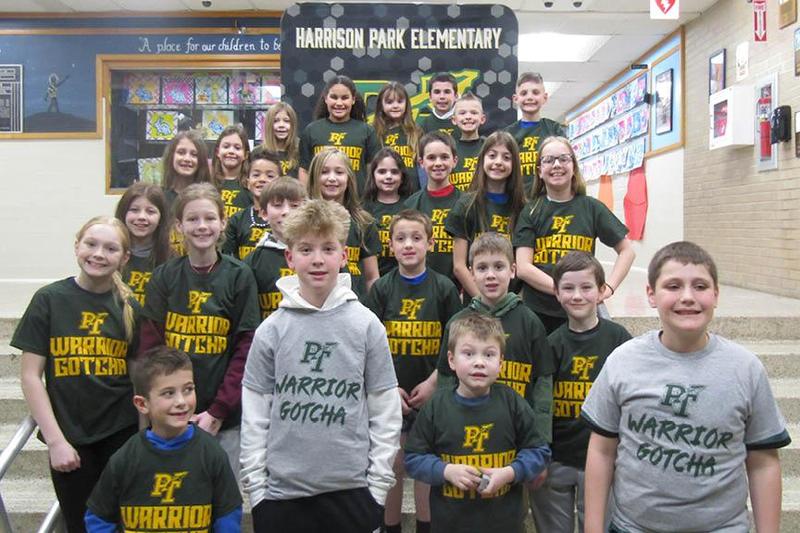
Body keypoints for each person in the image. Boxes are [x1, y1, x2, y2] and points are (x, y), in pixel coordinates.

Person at [582, 241, 791, 533]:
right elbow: (602, 451)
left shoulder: (745, 369)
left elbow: (763, 462)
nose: (688, 297)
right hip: (634, 527)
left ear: (716, 295)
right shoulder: (623, 361)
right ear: (651, 295)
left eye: (701, 286)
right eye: (673, 286)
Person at [240, 199, 402, 533]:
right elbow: (255, 417)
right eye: (306, 249)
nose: (317, 259)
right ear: (290, 257)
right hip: (282, 498)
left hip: (353, 496)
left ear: (344, 256)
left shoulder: (367, 325)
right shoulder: (270, 331)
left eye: (328, 248)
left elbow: (385, 413)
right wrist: (257, 493)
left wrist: (376, 491)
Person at [13, 216, 139, 533]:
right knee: (80, 525)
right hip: (71, 438)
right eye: (91, 244)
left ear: (124, 258)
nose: (98, 253)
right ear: (76, 246)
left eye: (110, 248)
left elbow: (140, 377)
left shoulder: (131, 305)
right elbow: (30, 376)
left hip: (120, 435)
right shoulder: (49, 300)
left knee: (122, 524)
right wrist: (55, 440)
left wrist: (143, 438)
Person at [139, 183, 261, 479]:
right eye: (192, 219)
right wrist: (171, 404)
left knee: (221, 499)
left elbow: (246, 350)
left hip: (224, 416)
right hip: (170, 413)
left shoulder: (239, 275)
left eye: (209, 218)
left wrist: (218, 410)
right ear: (179, 225)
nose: (202, 226)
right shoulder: (164, 276)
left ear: (222, 223)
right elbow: (152, 350)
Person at [404, 312, 551, 533]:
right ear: (451, 360)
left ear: (501, 363)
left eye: (489, 355)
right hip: (450, 525)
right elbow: (413, 458)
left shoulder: (513, 403)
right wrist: (446, 471)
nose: (479, 362)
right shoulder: (436, 407)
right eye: (469, 353)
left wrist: (510, 473)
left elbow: (539, 451)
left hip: (504, 525)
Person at [363, 209, 462, 533]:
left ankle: (424, 526)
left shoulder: (445, 289)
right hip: (391, 391)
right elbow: (369, 345)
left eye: (416, 238)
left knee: (424, 465)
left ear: (430, 243)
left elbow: (456, 340)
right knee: (394, 464)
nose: (409, 244)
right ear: (390, 245)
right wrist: (388, 386)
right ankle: (390, 527)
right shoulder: (380, 290)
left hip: (430, 392)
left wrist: (436, 379)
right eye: (401, 238)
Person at [85, 346, 242, 532]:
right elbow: (98, 517)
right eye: (169, 393)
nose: (181, 401)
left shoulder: (212, 454)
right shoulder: (126, 458)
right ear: (142, 404)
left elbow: (228, 516)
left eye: (188, 390)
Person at [529, 251, 631, 533]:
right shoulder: (550, 344)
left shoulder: (619, 340)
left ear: (601, 291)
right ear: (556, 292)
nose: (577, 296)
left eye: (586, 287)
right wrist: (538, 454)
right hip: (557, 459)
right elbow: (540, 405)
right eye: (568, 288)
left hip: (605, 461)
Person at [436, 232, 554, 446]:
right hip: (466, 431)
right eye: (482, 268)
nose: (491, 275)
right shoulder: (457, 322)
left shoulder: (530, 322)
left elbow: (543, 384)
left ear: (513, 270)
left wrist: (542, 440)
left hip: (518, 433)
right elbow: (445, 380)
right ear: (471, 273)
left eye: (499, 266)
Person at [513, 136, 634, 334]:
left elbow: (627, 251)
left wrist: (609, 287)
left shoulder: (591, 208)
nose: (557, 165)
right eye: (549, 160)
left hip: (583, 312)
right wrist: (564, 290)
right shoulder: (531, 211)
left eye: (563, 158)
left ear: (574, 167)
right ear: (539, 171)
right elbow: (524, 268)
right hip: (539, 313)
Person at [446, 131, 526, 300]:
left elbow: (524, 265)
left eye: (506, 157)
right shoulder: (465, 205)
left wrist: (511, 302)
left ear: (514, 164)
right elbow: (459, 266)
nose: (498, 162)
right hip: (476, 304)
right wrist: (483, 302)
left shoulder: (523, 208)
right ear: (482, 160)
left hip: (511, 302)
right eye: (492, 155)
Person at [307, 147, 381, 297]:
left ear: (349, 178)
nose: (332, 178)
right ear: (314, 177)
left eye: (339, 172)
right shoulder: (304, 221)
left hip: (353, 306)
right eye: (324, 172)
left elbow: (371, 277)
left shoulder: (364, 223)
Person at [298, 75, 381, 193]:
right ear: (326, 98)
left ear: (353, 100)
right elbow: (304, 170)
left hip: (357, 205)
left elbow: (372, 172)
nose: (339, 103)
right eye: (334, 97)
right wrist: (306, 200)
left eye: (345, 98)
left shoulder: (367, 131)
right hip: (320, 205)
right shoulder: (311, 130)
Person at [245, 177, 307, 319]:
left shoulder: (319, 254)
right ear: (264, 213)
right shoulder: (253, 262)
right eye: (278, 205)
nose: (286, 211)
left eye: (295, 206)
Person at [404, 131, 462, 282]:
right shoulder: (411, 205)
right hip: (422, 286)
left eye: (444, 157)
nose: (438, 163)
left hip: (461, 288)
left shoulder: (467, 203)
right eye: (431, 158)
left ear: (454, 161)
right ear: (421, 162)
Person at [503, 72, 566, 189]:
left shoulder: (554, 129)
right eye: (524, 93)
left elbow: (566, 164)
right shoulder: (508, 134)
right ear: (515, 99)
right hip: (516, 200)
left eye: (535, 92)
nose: (529, 97)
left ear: (544, 98)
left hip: (549, 197)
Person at [114, 182, 171, 306]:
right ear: (123, 213)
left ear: (161, 217)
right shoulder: (110, 255)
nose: (142, 217)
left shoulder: (172, 260)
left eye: (150, 211)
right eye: (134, 210)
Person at [362, 148, 416, 276]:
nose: (388, 176)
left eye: (394, 172)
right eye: (382, 172)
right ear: (373, 175)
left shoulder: (412, 206)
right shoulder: (363, 209)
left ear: (402, 176)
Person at [222, 148, 281, 260]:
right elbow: (227, 260)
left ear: (280, 182)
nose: (262, 179)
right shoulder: (237, 220)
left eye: (270, 176)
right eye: (256, 175)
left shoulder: (286, 218)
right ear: (248, 182)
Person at [160, 130, 212, 256]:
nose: (187, 159)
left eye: (194, 154)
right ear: (171, 156)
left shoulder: (209, 199)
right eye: (181, 152)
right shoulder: (159, 198)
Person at [373, 82, 421, 186]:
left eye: (400, 101)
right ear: (381, 105)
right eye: (389, 102)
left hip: (412, 191)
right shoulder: (374, 132)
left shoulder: (416, 131)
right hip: (385, 190)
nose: (395, 106)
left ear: (406, 104)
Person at [211, 124, 252, 219]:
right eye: (226, 146)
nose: (231, 151)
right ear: (217, 152)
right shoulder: (208, 183)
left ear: (245, 155)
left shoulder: (251, 185)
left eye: (237, 148)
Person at [449, 92, 486, 192]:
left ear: (482, 119)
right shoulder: (448, 148)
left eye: (474, 113)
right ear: (454, 120)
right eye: (462, 113)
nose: (468, 117)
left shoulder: (489, 147)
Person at [260, 102, 300, 178]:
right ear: (269, 125)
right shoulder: (258, 152)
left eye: (286, 121)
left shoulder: (301, 151)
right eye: (276, 121)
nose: (281, 125)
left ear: (293, 125)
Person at [416, 72, 458, 137]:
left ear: (456, 96)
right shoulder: (422, 125)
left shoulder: (464, 123)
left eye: (447, 92)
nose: (442, 96)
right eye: (437, 92)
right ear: (430, 97)